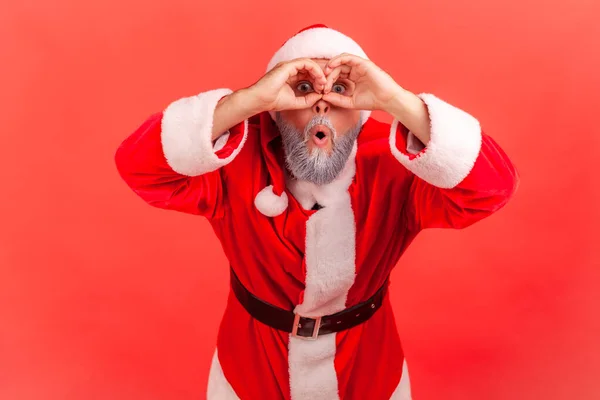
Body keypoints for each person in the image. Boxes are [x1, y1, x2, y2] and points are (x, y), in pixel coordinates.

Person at [115, 24, 519, 400]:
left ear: (362, 113)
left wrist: (395, 100)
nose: (322, 107)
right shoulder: (234, 157)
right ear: (276, 111)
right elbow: (139, 166)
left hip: (368, 365)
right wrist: (249, 99)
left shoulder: (397, 160)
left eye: (342, 89)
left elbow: (491, 187)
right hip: (251, 366)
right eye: (304, 89)